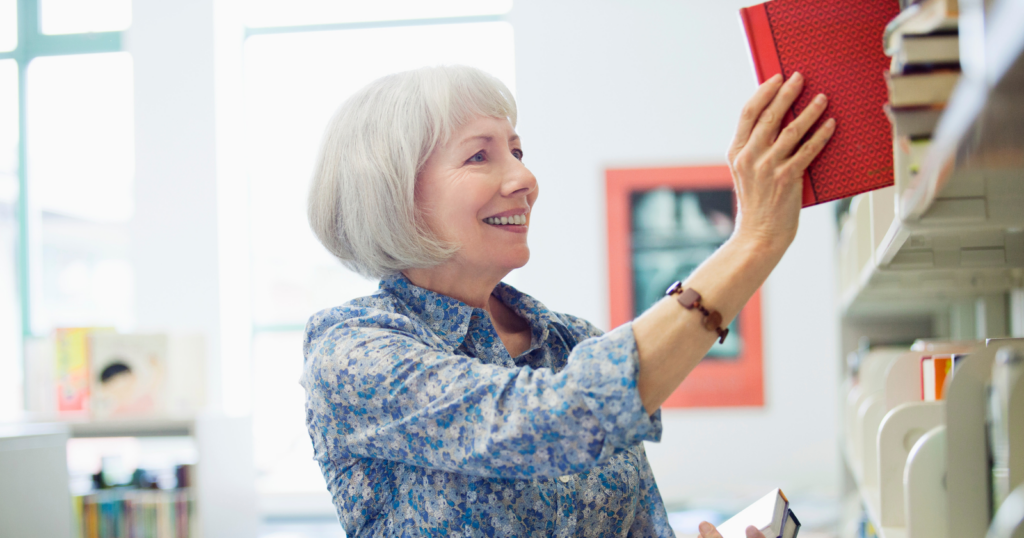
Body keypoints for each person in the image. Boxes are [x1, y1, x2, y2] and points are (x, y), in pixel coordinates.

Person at [301, 65, 834, 537]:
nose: (525, 178)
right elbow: (548, 421)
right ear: (394, 193)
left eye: (517, 150)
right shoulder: (350, 352)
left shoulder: (572, 340)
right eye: (479, 155)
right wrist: (753, 241)